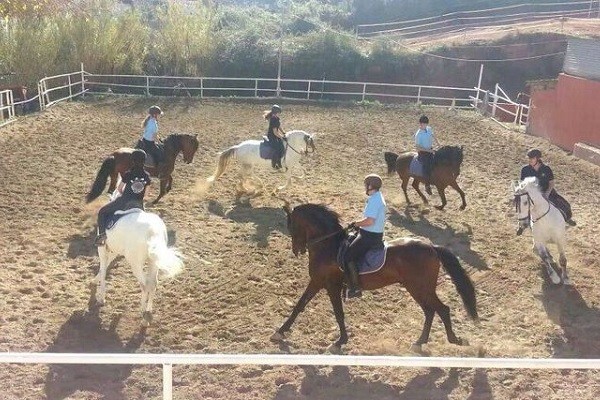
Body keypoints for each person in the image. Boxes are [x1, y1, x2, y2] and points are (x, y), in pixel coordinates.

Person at [94, 149, 152, 246]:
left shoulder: (128, 174)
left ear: (132, 161)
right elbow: (146, 195)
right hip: (138, 205)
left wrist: (124, 193)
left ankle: (102, 236)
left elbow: (120, 189)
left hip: (124, 202)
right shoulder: (147, 176)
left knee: (102, 212)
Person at [344, 174, 387, 299]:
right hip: (371, 233)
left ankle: (356, 288)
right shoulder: (378, 196)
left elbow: (370, 221)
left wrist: (355, 223)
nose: (365, 187)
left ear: (370, 185)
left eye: (366, 185)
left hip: (369, 236)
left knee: (348, 257)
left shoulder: (375, 200)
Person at [516, 148, 575, 235]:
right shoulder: (525, 169)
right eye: (529, 158)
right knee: (524, 208)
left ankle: (567, 218)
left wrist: (547, 193)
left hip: (546, 191)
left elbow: (551, 183)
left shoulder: (546, 169)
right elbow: (522, 183)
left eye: (532, 158)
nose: (530, 160)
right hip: (531, 193)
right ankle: (521, 225)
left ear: (538, 159)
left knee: (563, 204)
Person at [414, 115, 440, 195]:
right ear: (420, 124)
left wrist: (439, 144)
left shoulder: (429, 129)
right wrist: (429, 151)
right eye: (423, 124)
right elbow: (418, 147)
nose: (424, 126)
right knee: (426, 166)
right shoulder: (418, 135)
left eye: (426, 124)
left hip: (431, 149)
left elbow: (433, 135)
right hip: (423, 153)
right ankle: (427, 185)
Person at [141, 105, 164, 169]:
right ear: (155, 115)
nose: (160, 116)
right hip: (150, 143)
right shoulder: (154, 124)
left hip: (144, 140)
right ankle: (157, 169)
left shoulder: (148, 120)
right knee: (160, 154)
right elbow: (154, 137)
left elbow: (154, 134)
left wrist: (159, 139)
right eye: (159, 114)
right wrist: (160, 143)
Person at [264, 104, 286, 169]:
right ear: (276, 112)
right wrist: (281, 137)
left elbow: (279, 126)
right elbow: (275, 132)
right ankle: (274, 164)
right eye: (278, 112)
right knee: (276, 148)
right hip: (272, 136)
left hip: (276, 135)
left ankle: (279, 162)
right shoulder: (273, 119)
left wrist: (283, 132)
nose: (279, 113)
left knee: (281, 146)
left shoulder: (276, 118)